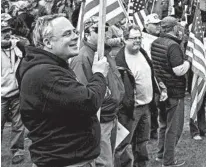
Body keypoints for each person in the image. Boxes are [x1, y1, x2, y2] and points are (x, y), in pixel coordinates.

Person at [16, 14, 109, 167]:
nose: (75, 37)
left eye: (74, 32)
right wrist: (99, 75)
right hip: (65, 161)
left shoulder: (51, 67)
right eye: (67, 34)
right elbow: (88, 102)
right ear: (47, 42)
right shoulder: (45, 73)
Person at [70, 17, 125, 167]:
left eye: (106, 29)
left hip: (111, 114)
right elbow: (82, 96)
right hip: (98, 119)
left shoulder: (104, 53)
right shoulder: (82, 58)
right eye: (98, 30)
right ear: (87, 34)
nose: (104, 34)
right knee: (103, 162)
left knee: (110, 158)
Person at [115, 24, 163, 167]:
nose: (137, 41)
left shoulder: (143, 53)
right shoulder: (119, 61)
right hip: (130, 110)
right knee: (122, 145)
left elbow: (151, 74)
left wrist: (159, 87)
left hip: (146, 107)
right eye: (133, 38)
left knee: (142, 143)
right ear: (125, 40)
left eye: (139, 37)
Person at [150, 17, 189, 167]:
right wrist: (188, 61)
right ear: (173, 28)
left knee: (164, 124)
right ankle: (169, 161)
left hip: (161, 90)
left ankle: (161, 155)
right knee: (174, 128)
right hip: (174, 91)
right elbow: (178, 70)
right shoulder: (173, 46)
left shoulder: (155, 42)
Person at [1, 20, 25, 165]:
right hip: (0, 95)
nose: (7, 34)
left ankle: (18, 151)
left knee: (18, 124)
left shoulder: (18, 47)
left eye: (8, 30)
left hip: (17, 92)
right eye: (3, 31)